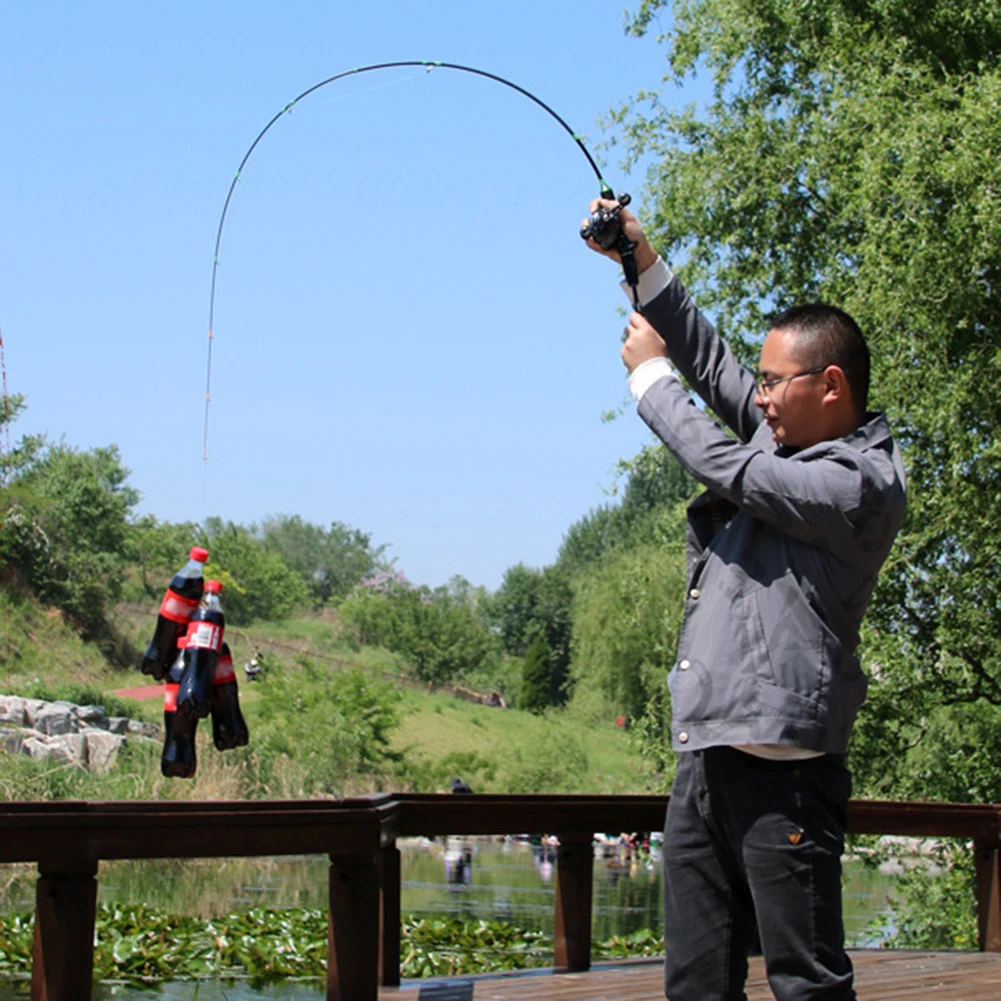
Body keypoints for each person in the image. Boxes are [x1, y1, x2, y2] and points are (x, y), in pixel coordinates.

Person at [583, 198, 906, 1001]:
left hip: (785, 773)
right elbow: (708, 354)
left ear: (829, 386)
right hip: (706, 757)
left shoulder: (856, 482)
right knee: (694, 984)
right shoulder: (784, 436)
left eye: (772, 382)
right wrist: (639, 258)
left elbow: (736, 472)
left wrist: (651, 381)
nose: (756, 396)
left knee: (806, 983)